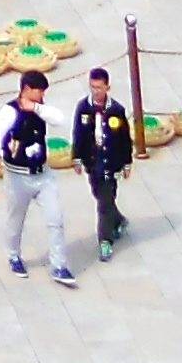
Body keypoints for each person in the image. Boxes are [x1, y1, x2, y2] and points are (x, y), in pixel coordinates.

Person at [0, 68, 72, 286]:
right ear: (27, 89)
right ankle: (13, 255)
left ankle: (59, 265)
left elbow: (60, 118)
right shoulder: (10, 111)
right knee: (16, 219)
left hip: (43, 174)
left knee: (55, 219)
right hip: (18, 176)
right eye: (39, 91)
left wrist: (35, 107)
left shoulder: (40, 108)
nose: (43, 95)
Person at [70, 64, 134, 257]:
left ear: (107, 87)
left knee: (104, 202)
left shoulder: (116, 110)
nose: (96, 91)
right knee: (101, 196)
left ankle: (105, 240)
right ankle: (119, 220)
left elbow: (124, 138)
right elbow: (78, 134)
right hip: (93, 162)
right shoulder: (83, 107)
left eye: (99, 87)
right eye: (92, 87)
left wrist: (127, 162)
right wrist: (77, 158)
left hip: (110, 162)